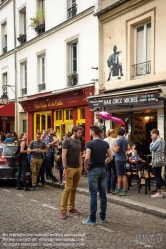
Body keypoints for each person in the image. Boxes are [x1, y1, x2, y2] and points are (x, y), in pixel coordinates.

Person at [82, 125, 112, 225]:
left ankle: (92, 218)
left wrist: (85, 165)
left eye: (90, 132)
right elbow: (111, 157)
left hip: (93, 169)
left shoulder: (89, 143)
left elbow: (87, 157)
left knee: (93, 195)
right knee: (103, 194)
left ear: (93, 133)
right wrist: (104, 163)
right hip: (103, 169)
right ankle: (102, 217)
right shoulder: (105, 144)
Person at [60, 126, 84, 219]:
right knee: (67, 189)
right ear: (74, 132)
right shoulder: (67, 141)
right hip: (69, 168)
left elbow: (79, 155)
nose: (80, 134)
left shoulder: (78, 142)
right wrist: (65, 168)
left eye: (81, 133)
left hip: (77, 168)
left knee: (74, 188)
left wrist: (81, 167)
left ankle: (71, 207)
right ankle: (63, 210)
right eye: (79, 132)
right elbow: (63, 155)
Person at [150, 129, 166, 198]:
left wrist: (152, 141)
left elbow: (151, 149)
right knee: (159, 175)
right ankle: (163, 190)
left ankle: (159, 192)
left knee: (156, 176)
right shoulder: (163, 140)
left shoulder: (157, 141)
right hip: (161, 160)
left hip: (156, 160)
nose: (151, 137)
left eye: (151, 135)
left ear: (155, 134)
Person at [112, 128, 128, 196]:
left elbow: (116, 150)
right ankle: (119, 188)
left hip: (119, 159)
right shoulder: (125, 140)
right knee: (119, 175)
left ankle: (125, 190)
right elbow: (126, 149)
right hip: (123, 158)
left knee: (123, 175)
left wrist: (113, 146)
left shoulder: (119, 140)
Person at [104, 129, 117, 193]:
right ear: (112, 133)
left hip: (106, 156)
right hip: (113, 156)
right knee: (115, 172)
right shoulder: (114, 140)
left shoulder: (105, 140)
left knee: (108, 172)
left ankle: (107, 188)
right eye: (114, 133)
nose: (115, 135)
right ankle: (112, 188)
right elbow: (116, 149)